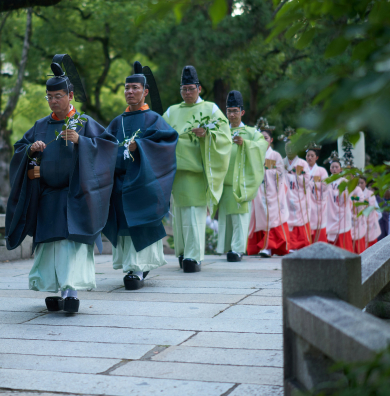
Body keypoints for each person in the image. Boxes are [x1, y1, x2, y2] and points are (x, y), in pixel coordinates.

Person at [4, 56, 117, 313]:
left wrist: (82, 141)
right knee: (51, 246)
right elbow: (19, 150)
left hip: (75, 194)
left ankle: (71, 290)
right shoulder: (41, 125)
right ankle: (57, 288)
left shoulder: (84, 123)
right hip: (47, 196)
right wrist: (30, 152)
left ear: (70, 95)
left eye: (58, 96)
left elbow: (108, 148)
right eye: (50, 97)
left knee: (71, 244)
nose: (54, 101)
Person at [104, 62, 177, 290]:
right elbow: (102, 147)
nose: (130, 92)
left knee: (141, 223)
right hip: (121, 183)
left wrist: (141, 146)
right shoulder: (117, 122)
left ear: (145, 91)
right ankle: (130, 265)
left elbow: (167, 143)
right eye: (127, 88)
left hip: (144, 183)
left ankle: (138, 268)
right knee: (125, 225)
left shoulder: (154, 119)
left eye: (135, 88)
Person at [163, 66, 232, 272]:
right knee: (180, 214)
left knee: (194, 214)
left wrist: (207, 136)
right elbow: (161, 135)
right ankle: (183, 252)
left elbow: (225, 135)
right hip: (177, 171)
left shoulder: (210, 109)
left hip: (197, 171)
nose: (187, 93)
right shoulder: (171, 111)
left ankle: (194, 257)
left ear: (199, 88)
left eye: (191, 88)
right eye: (183, 89)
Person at [216, 92, 268, 262]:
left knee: (240, 217)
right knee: (227, 217)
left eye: (235, 111)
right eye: (229, 111)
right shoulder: (221, 131)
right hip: (225, 181)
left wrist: (246, 143)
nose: (232, 114)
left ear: (242, 112)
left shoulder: (251, 132)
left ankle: (238, 249)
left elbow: (262, 145)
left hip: (242, 182)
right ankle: (228, 247)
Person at [246, 118, 289, 257]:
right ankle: (260, 246)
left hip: (272, 192)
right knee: (259, 217)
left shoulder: (275, 155)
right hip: (258, 191)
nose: (263, 140)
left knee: (271, 218)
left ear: (271, 140)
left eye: (266, 138)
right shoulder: (255, 153)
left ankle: (268, 247)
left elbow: (280, 174)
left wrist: (266, 171)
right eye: (261, 138)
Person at [281, 130, 312, 251]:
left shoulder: (302, 163)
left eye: (292, 147)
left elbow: (307, 180)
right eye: (287, 147)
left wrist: (294, 175)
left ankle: (298, 245)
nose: (289, 150)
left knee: (299, 220)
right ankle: (285, 245)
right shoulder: (281, 162)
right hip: (284, 197)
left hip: (298, 197)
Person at [325, 154, 354, 252]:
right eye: (332, 167)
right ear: (330, 169)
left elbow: (347, 197)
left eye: (336, 167)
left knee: (342, 238)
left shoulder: (344, 181)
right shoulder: (326, 181)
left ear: (340, 169)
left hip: (341, 212)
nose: (334, 169)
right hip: (329, 213)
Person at [306, 142, 329, 243]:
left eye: (312, 156)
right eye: (308, 155)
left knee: (317, 223)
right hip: (305, 202)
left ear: (317, 157)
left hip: (317, 202)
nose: (310, 157)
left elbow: (325, 186)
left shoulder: (321, 171)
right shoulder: (302, 169)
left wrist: (311, 184)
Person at [358, 176, 381, 247]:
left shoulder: (370, 194)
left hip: (369, 224)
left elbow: (377, 211)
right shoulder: (355, 194)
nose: (359, 185)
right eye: (358, 183)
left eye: (362, 183)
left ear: (366, 183)